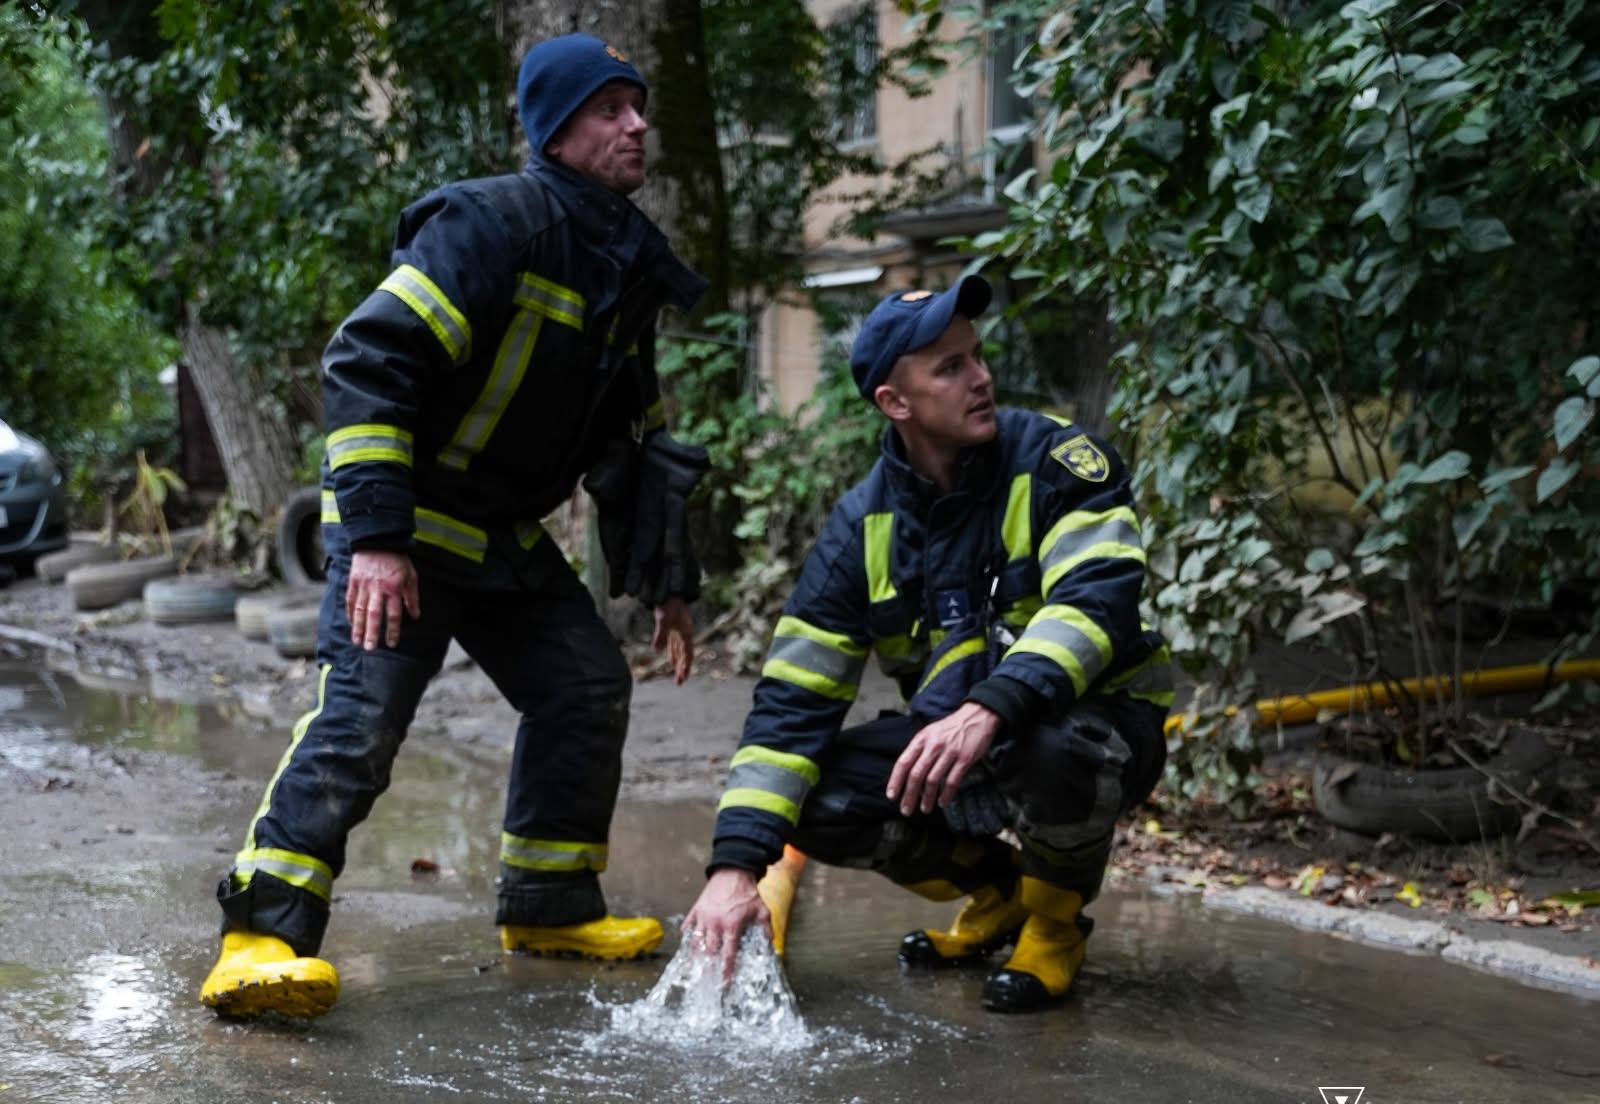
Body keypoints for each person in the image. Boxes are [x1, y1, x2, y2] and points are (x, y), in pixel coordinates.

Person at [200, 33, 709, 1020]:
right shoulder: (488, 224)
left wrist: (667, 583)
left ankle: (550, 903)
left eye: (638, 105)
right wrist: (380, 539)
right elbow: (368, 361)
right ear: (555, 130)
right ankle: (259, 936)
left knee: (584, 684)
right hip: (400, 524)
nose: (637, 123)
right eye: (610, 108)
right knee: (360, 723)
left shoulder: (626, 264)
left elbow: (636, 444)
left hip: (497, 533)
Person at [682, 278, 1172, 1012]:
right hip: (962, 735)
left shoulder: (1057, 462)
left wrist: (991, 708)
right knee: (813, 799)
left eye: (976, 357)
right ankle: (1000, 890)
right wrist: (734, 866)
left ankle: (1053, 922)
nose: (980, 378)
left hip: (1095, 724)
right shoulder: (859, 530)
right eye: (949, 367)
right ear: (894, 403)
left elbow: (1095, 604)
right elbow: (790, 703)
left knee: (1058, 747)